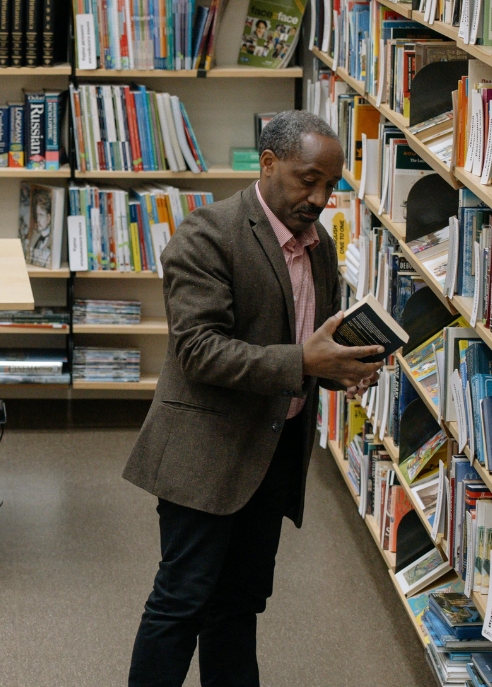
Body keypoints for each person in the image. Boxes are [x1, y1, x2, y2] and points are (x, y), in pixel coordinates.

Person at [123, 110, 384, 687]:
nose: (319, 197)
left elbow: (304, 342)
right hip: (206, 454)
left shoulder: (318, 247)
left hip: (272, 454)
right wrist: (304, 363)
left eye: (331, 185)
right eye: (307, 179)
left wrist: (337, 369)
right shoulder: (207, 234)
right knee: (180, 603)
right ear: (268, 164)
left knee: (239, 607)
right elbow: (198, 350)